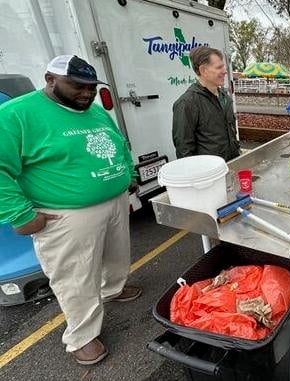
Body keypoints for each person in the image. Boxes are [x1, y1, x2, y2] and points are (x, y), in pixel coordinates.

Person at [0, 55, 142, 365]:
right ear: (50, 79)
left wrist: (128, 175)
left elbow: (119, 144)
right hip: (67, 214)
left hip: (114, 201)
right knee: (76, 277)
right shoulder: (16, 115)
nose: (87, 93)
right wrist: (21, 215)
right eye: (77, 85)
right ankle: (82, 336)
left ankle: (112, 289)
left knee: (116, 257)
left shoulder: (95, 112)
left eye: (91, 86)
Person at [172, 46, 240, 160]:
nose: (225, 71)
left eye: (223, 66)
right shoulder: (187, 103)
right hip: (209, 173)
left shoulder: (224, 97)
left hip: (230, 164)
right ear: (203, 70)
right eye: (219, 67)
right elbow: (184, 150)